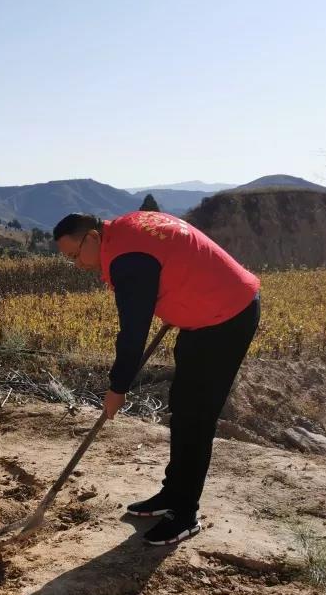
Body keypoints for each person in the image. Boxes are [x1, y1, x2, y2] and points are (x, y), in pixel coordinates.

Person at [53, 211, 260, 546]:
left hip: (226, 318)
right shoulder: (126, 227)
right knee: (183, 409)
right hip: (204, 317)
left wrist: (117, 388)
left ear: (92, 237)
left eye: (75, 256)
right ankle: (173, 494)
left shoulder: (127, 260)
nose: (78, 265)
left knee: (196, 419)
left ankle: (185, 514)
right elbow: (177, 255)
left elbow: (133, 334)